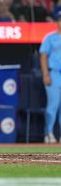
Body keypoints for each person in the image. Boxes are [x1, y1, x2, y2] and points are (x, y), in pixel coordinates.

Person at [39, 11, 61, 144]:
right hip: (54, 73)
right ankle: (48, 133)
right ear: (57, 22)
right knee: (53, 105)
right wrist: (46, 74)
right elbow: (43, 56)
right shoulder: (50, 37)